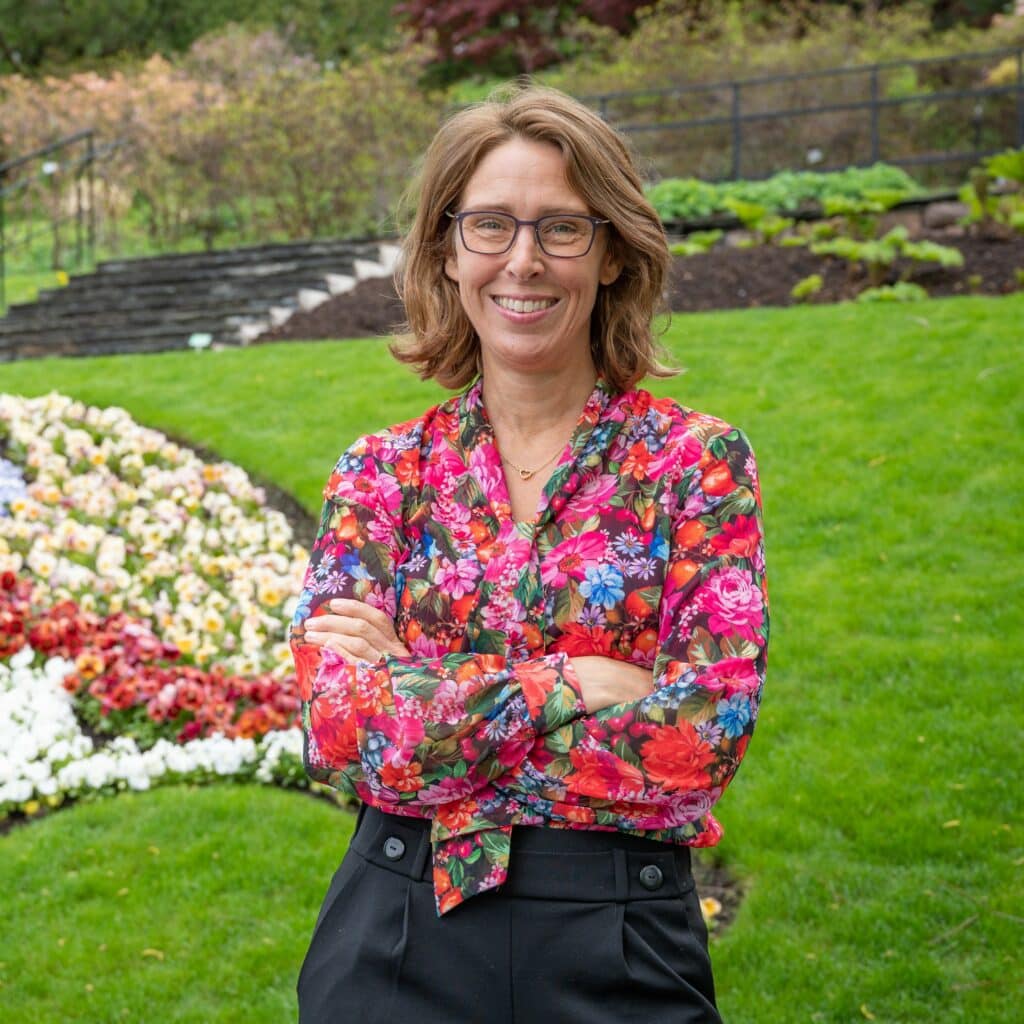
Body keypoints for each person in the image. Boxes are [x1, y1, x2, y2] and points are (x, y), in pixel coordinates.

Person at [289, 83, 768, 1024]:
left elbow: (696, 747)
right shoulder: (384, 471)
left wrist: (426, 695)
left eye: (560, 228)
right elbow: (345, 735)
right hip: (392, 930)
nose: (523, 261)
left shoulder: (695, 463)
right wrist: (575, 684)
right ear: (445, 249)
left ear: (614, 252)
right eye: (490, 225)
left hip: (620, 938)